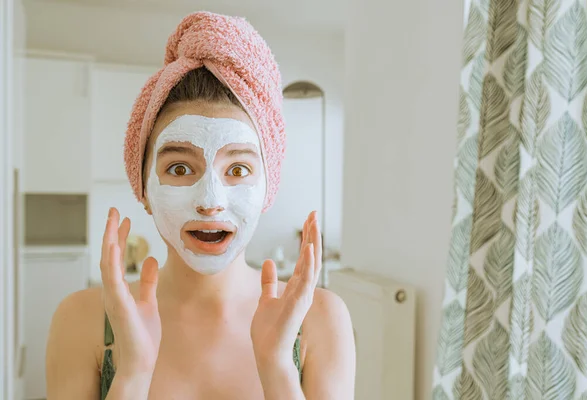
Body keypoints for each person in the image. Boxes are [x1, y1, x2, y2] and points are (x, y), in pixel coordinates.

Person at [45, 11, 356, 400]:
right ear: (142, 187)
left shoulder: (320, 320)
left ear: (267, 186)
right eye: (179, 167)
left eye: (239, 168)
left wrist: (278, 369)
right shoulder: (82, 321)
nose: (211, 201)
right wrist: (133, 374)